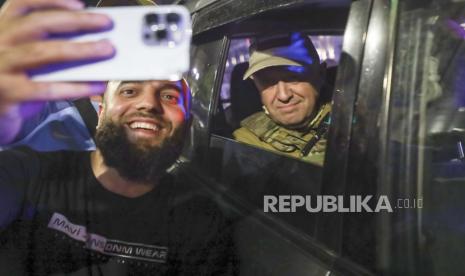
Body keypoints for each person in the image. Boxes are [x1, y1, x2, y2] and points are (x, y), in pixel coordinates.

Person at [0, 0, 235, 275]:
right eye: (129, 91)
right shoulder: (31, 172)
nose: (148, 104)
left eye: (169, 96)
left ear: (189, 124)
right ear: (100, 109)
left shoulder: (199, 221)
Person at [233, 33, 331, 166]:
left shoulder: (353, 122)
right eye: (267, 82)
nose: (283, 96)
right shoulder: (243, 144)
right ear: (256, 85)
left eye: (293, 77)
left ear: (320, 74)